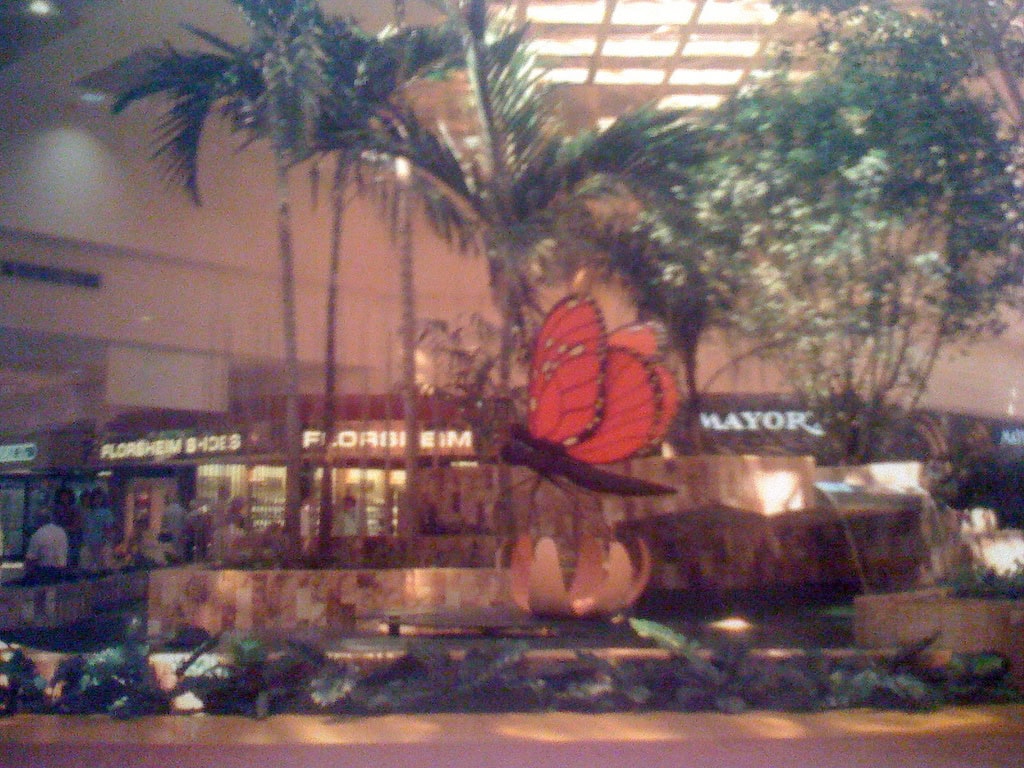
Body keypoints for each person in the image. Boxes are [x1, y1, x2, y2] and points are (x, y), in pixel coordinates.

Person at [24, 510, 69, 584]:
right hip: (61, 571)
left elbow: (31, 559)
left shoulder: (38, 534)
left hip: (44, 573)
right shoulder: (61, 531)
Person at [80, 487, 114, 572]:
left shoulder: (106, 513)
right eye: (95, 497)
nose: (97, 500)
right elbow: (84, 528)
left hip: (102, 545)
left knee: (103, 569)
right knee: (87, 569)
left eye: (100, 498)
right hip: (88, 545)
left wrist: (104, 541)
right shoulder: (86, 512)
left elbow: (108, 529)